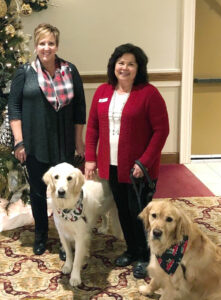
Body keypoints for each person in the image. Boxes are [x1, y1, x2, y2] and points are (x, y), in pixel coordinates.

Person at [85, 43, 169, 279]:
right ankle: (132, 250)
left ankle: (146, 256)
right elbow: (92, 128)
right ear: (114, 66)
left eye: (131, 64)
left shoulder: (149, 94)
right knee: (122, 210)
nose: (125, 68)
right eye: (121, 63)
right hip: (111, 165)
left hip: (139, 170)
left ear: (138, 68)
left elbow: (161, 131)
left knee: (140, 213)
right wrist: (90, 158)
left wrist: (144, 162)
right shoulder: (102, 92)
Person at [8, 23, 86, 257]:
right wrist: (19, 142)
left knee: (68, 193)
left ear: (57, 45)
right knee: (39, 193)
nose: (46, 47)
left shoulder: (70, 71)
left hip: (63, 143)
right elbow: (14, 108)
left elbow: (80, 108)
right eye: (42, 43)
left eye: (51, 43)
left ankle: (68, 239)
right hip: (35, 143)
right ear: (35, 45)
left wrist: (78, 142)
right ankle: (41, 233)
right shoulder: (24, 72)